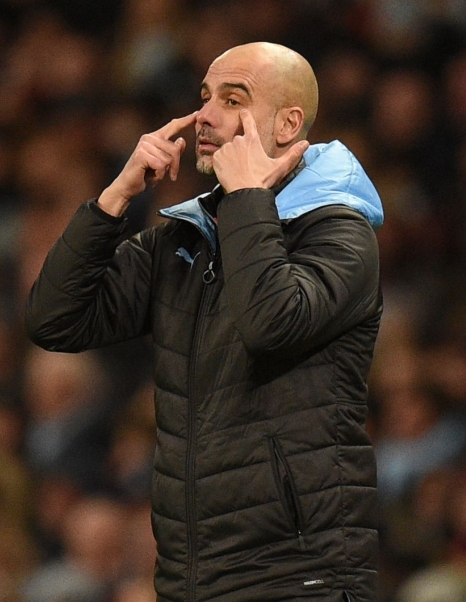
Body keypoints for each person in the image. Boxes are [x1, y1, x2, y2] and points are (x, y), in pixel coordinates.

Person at [25, 42, 384, 602]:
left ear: (288, 123)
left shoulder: (339, 232)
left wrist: (245, 196)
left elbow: (271, 321)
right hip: (192, 577)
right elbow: (56, 321)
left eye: (232, 98)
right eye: (205, 97)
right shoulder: (185, 238)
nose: (204, 116)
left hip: (301, 574)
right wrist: (114, 200)